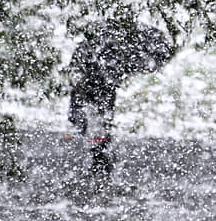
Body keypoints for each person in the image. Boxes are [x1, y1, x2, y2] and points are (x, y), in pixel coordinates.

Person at [68, 21, 172, 174]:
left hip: (107, 59)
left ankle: (100, 155)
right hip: (105, 60)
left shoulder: (100, 55)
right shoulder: (96, 58)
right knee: (96, 102)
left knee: (96, 101)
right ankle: (100, 155)